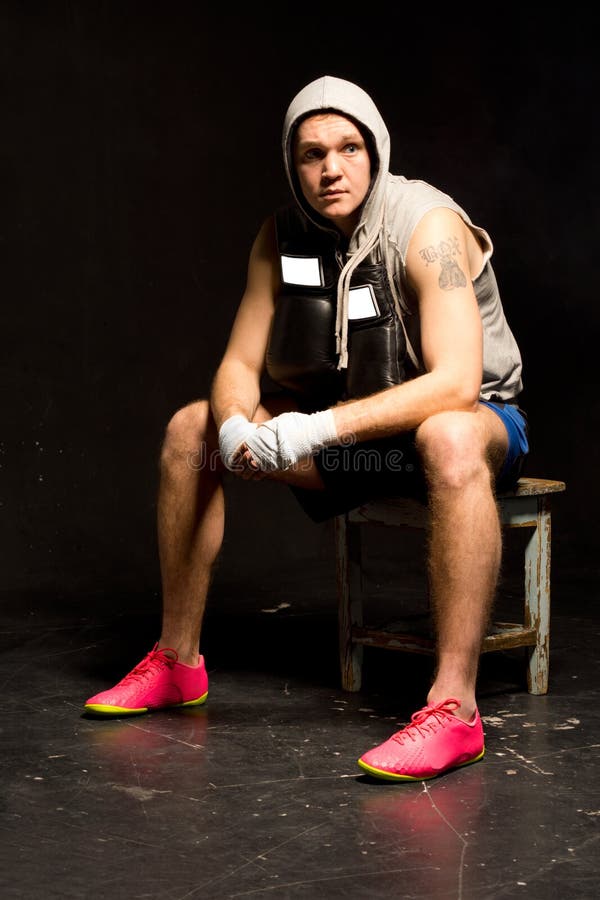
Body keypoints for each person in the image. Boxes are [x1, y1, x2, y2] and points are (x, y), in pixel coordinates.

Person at [84, 75, 529, 783]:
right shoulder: (281, 233)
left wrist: (313, 428)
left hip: (470, 431)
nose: (332, 169)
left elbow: (457, 385)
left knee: (446, 431)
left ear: (375, 150)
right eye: (312, 154)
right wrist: (234, 428)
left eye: (349, 148)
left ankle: (455, 709)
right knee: (189, 428)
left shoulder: (427, 226)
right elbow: (237, 362)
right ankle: (177, 661)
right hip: (354, 445)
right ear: (292, 165)